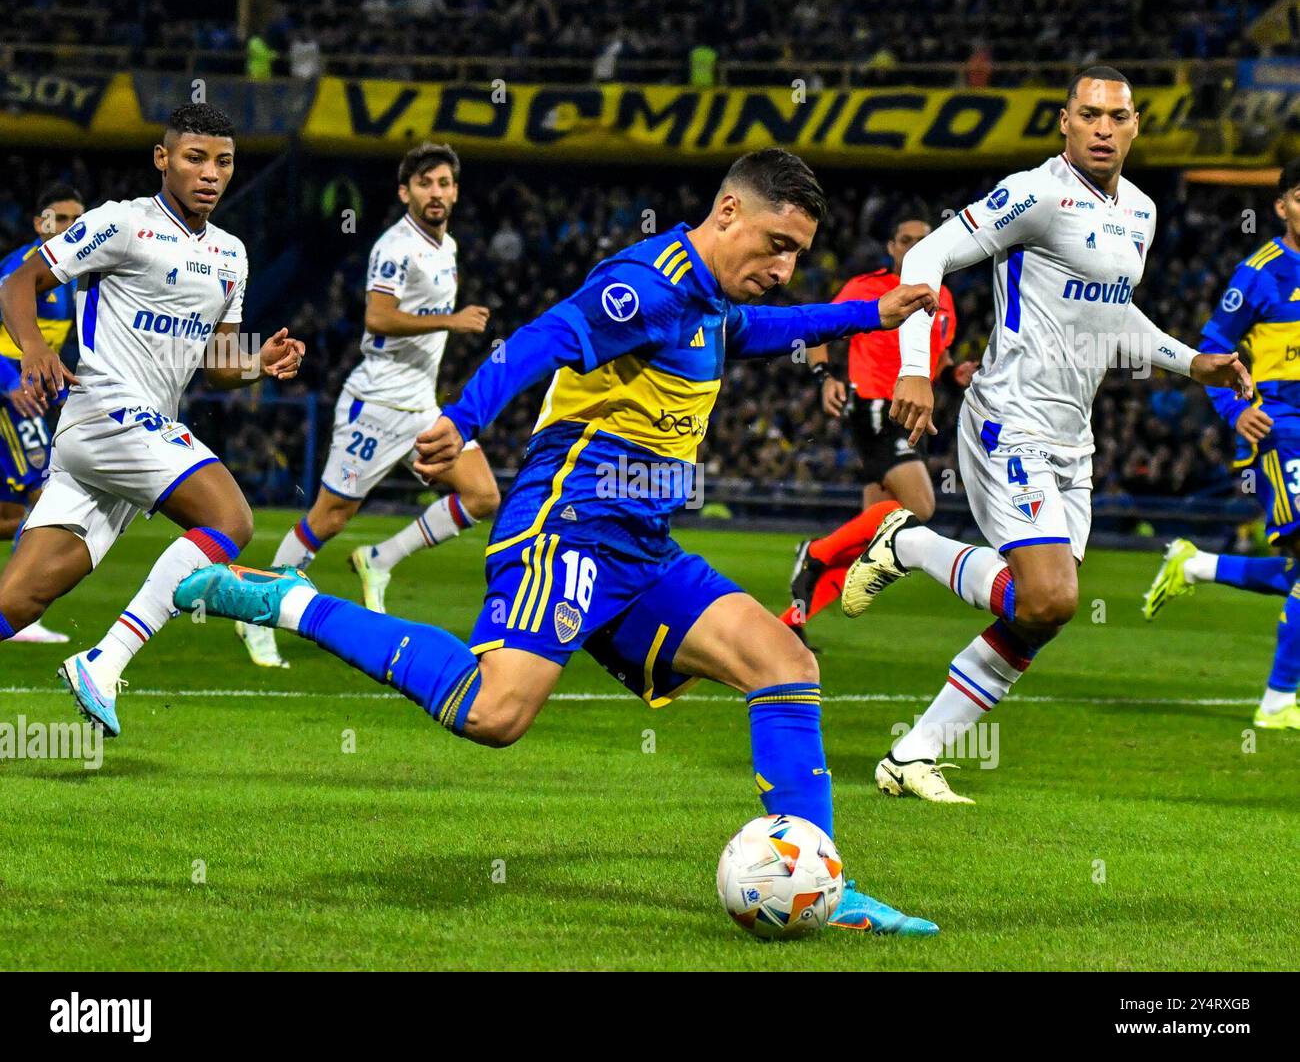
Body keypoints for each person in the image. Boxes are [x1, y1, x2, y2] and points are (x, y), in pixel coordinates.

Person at [178, 148, 940, 934]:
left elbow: (756, 327)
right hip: (569, 527)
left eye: (799, 255)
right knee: (494, 713)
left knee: (784, 663)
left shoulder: (707, 301)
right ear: (728, 214)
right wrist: (463, 419)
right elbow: (540, 337)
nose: (785, 268)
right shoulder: (649, 285)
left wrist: (864, 315)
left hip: (641, 545)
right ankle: (291, 600)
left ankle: (826, 883)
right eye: (778, 245)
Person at [841, 67, 1252, 803]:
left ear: (1134, 126)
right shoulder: (1035, 193)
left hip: (1073, 438)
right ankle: (907, 543)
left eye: (1116, 116)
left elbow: (1115, 317)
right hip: (1008, 419)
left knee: (1040, 616)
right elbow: (924, 257)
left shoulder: (1142, 213)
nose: (1102, 128)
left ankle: (913, 755)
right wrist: (912, 367)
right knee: (1050, 595)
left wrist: (1195, 363)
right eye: (1088, 114)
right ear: (1064, 122)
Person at [0, 103, 305, 737]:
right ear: (163, 159)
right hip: (105, 409)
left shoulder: (231, 255)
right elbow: (19, 282)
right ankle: (105, 662)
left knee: (19, 602)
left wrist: (257, 362)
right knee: (231, 519)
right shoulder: (122, 224)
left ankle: (99, 662)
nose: (210, 174)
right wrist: (33, 347)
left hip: (132, 437)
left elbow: (219, 364)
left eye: (223, 162)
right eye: (195, 158)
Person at [241, 144, 497, 669]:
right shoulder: (394, 247)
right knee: (329, 518)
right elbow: (378, 318)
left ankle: (381, 559)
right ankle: (254, 612)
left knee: (482, 494)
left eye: (445, 183)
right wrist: (451, 322)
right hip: (376, 406)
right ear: (405, 192)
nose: (437, 193)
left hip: (421, 407)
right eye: (426, 183)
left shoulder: (446, 247)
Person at [1142, 158, 1300, 731]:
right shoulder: (1259, 272)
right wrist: (1237, 412)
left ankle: (1198, 565)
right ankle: (1279, 700)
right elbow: (1210, 351)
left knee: (1298, 570)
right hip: (1279, 428)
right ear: (1281, 207)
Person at [784, 206, 972, 640]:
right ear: (890, 247)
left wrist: (952, 372)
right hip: (877, 409)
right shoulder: (868, 288)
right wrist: (825, 376)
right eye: (906, 239)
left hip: (915, 416)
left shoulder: (942, 297)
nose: (915, 247)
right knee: (920, 508)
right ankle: (813, 553)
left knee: (870, 534)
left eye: (924, 239)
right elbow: (820, 331)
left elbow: (936, 354)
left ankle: (792, 620)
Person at [0, 182, 85, 643]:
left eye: (79, 219)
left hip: (30, 394)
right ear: (40, 223)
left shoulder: (73, 273)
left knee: (15, 506)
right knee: (41, 496)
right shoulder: (20, 270)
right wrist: (10, 383)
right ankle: (13, 613)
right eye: (62, 218)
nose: (72, 227)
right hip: (9, 396)